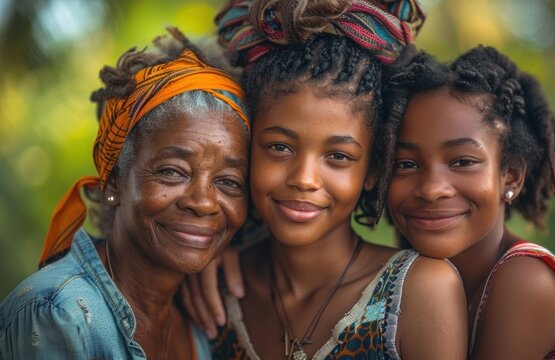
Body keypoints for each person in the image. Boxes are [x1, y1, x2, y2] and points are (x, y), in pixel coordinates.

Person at [184, 0, 468, 359]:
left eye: (338, 156)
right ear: (245, 147)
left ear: (373, 170)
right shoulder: (213, 290)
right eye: (279, 147)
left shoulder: (418, 290)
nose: (304, 179)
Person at [0, 29, 250, 359]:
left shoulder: (201, 322)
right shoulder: (59, 315)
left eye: (229, 182)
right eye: (172, 172)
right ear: (115, 178)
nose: (203, 202)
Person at [384, 46, 555, 359]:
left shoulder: (525, 281)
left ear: (510, 177)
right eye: (405, 164)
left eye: (462, 161)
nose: (431, 189)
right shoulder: (413, 275)